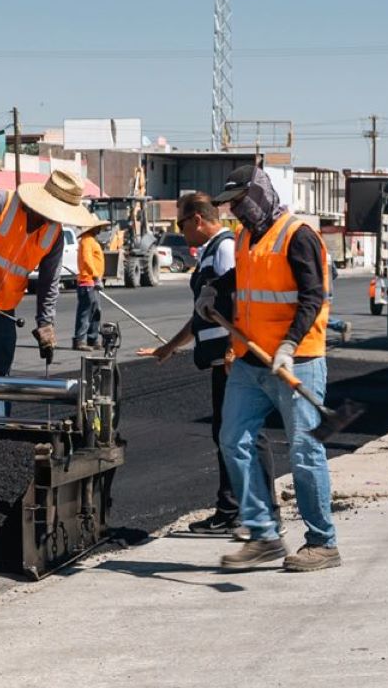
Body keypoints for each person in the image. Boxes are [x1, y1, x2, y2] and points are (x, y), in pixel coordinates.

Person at [207, 165, 339, 573]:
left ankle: (323, 543)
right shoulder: (247, 236)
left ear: (261, 196)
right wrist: (217, 289)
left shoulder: (298, 235)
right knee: (233, 440)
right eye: (231, 205)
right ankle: (263, 534)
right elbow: (244, 278)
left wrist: (288, 344)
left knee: (305, 450)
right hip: (250, 359)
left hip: (296, 360)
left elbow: (312, 297)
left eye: (241, 202)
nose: (236, 212)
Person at [137, 191, 277, 537]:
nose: (180, 231)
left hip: (234, 360)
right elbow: (204, 312)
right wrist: (168, 348)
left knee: (246, 433)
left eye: (181, 223)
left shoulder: (226, 249)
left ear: (197, 219)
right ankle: (232, 508)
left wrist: (232, 351)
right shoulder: (212, 252)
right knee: (227, 433)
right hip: (221, 359)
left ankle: (258, 511)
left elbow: (238, 303)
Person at [0, 170, 100, 411]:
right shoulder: (0, 202)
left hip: (3, 308)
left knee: (0, 372)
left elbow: (49, 283)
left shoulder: (53, 234)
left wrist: (46, 324)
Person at [72, 227, 106, 349]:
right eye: (98, 227)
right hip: (88, 281)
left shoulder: (91, 240)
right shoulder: (86, 240)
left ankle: (93, 338)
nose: (100, 229)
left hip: (93, 282)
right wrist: (96, 276)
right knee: (86, 312)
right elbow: (87, 260)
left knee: (96, 311)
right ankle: (80, 340)